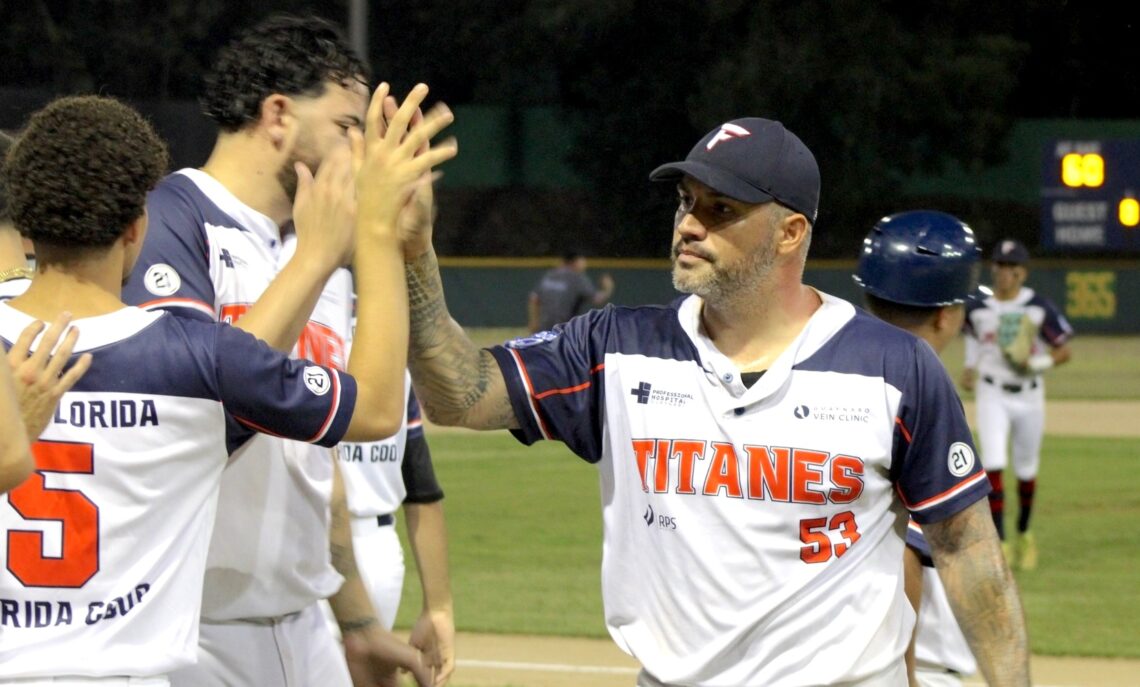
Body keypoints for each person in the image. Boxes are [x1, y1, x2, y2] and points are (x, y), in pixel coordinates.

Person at [399, 116, 1030, 685]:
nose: (689, 224)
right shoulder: (614, 348)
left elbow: (965, 547)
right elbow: (461, 393)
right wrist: (413, 251)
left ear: (790, 233)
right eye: (685, 202)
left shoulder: (892, 367)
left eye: (722, 209)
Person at [0, 91, 453, 683]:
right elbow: (374, 408)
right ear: (138, 228)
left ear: (27, 228)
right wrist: (376, 235)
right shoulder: (198, 358)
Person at [122, 15, 455, 685]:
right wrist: (319, 255)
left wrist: (356, 619)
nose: (363, 149)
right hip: (190, 631)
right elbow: (195, 407)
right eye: (346, 125)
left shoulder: (314, 240)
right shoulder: (168, 221)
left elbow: (319, 457)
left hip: (306, 625)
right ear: (277, 114)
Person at [853, 210, 983, 687]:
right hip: (916, 667)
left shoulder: (838, 383)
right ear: (946, 315)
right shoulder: (915, 398)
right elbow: (906, 554)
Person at [960, 239, 1074, 570]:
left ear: (1022, 273)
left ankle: (1024, 532)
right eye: (998, 266)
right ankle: (1002, 542)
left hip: (1028, 394)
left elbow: (1064, 350)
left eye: (1010, 268)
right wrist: (969, 367)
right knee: (993, 464)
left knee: (1027, 469)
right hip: (991, 391)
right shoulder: (979, 307)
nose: (1002, 273)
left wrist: (1035, 364)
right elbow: (972, 338)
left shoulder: (1037, 306)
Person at [527, 250, 615, 333]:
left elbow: (534, 299)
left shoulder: (550, 275)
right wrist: (608, 288)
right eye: (582, 260)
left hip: (543, 329)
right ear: (576, 261)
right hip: (565, 330)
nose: (585, 264)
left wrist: (534, 321)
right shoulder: (577, 278)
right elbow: (597, 300)